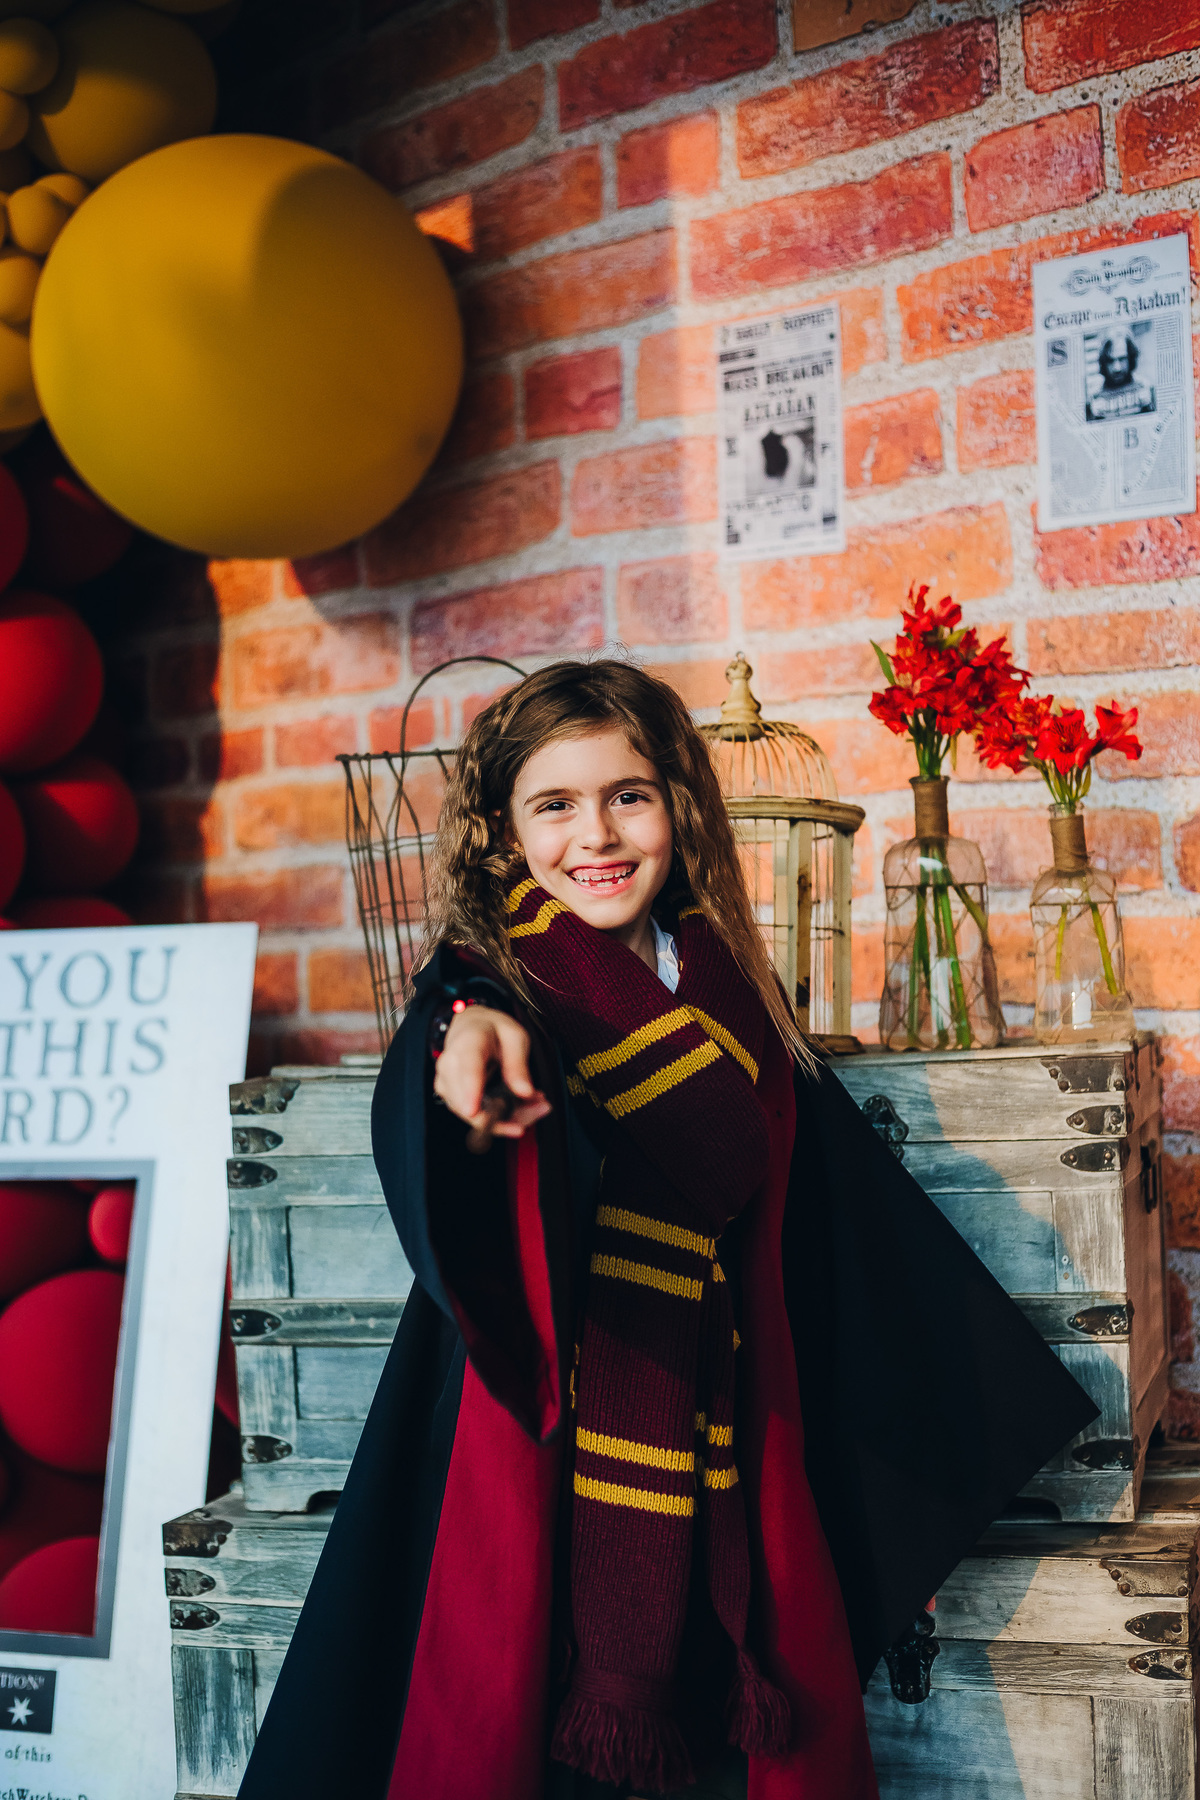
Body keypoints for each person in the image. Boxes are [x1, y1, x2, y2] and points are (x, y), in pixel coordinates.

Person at [238, 660, 1097, 1800]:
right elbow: (456, 1035)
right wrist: (465, 1047)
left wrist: (882, 1505)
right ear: (504, 835)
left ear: (678, 809)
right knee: (513, 1715)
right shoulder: (497, 987)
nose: (596, 834)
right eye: (555, 804)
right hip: (546, 1439)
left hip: (731, 1421)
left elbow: (834, 1238)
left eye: (628, 796)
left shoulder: (732, 998)